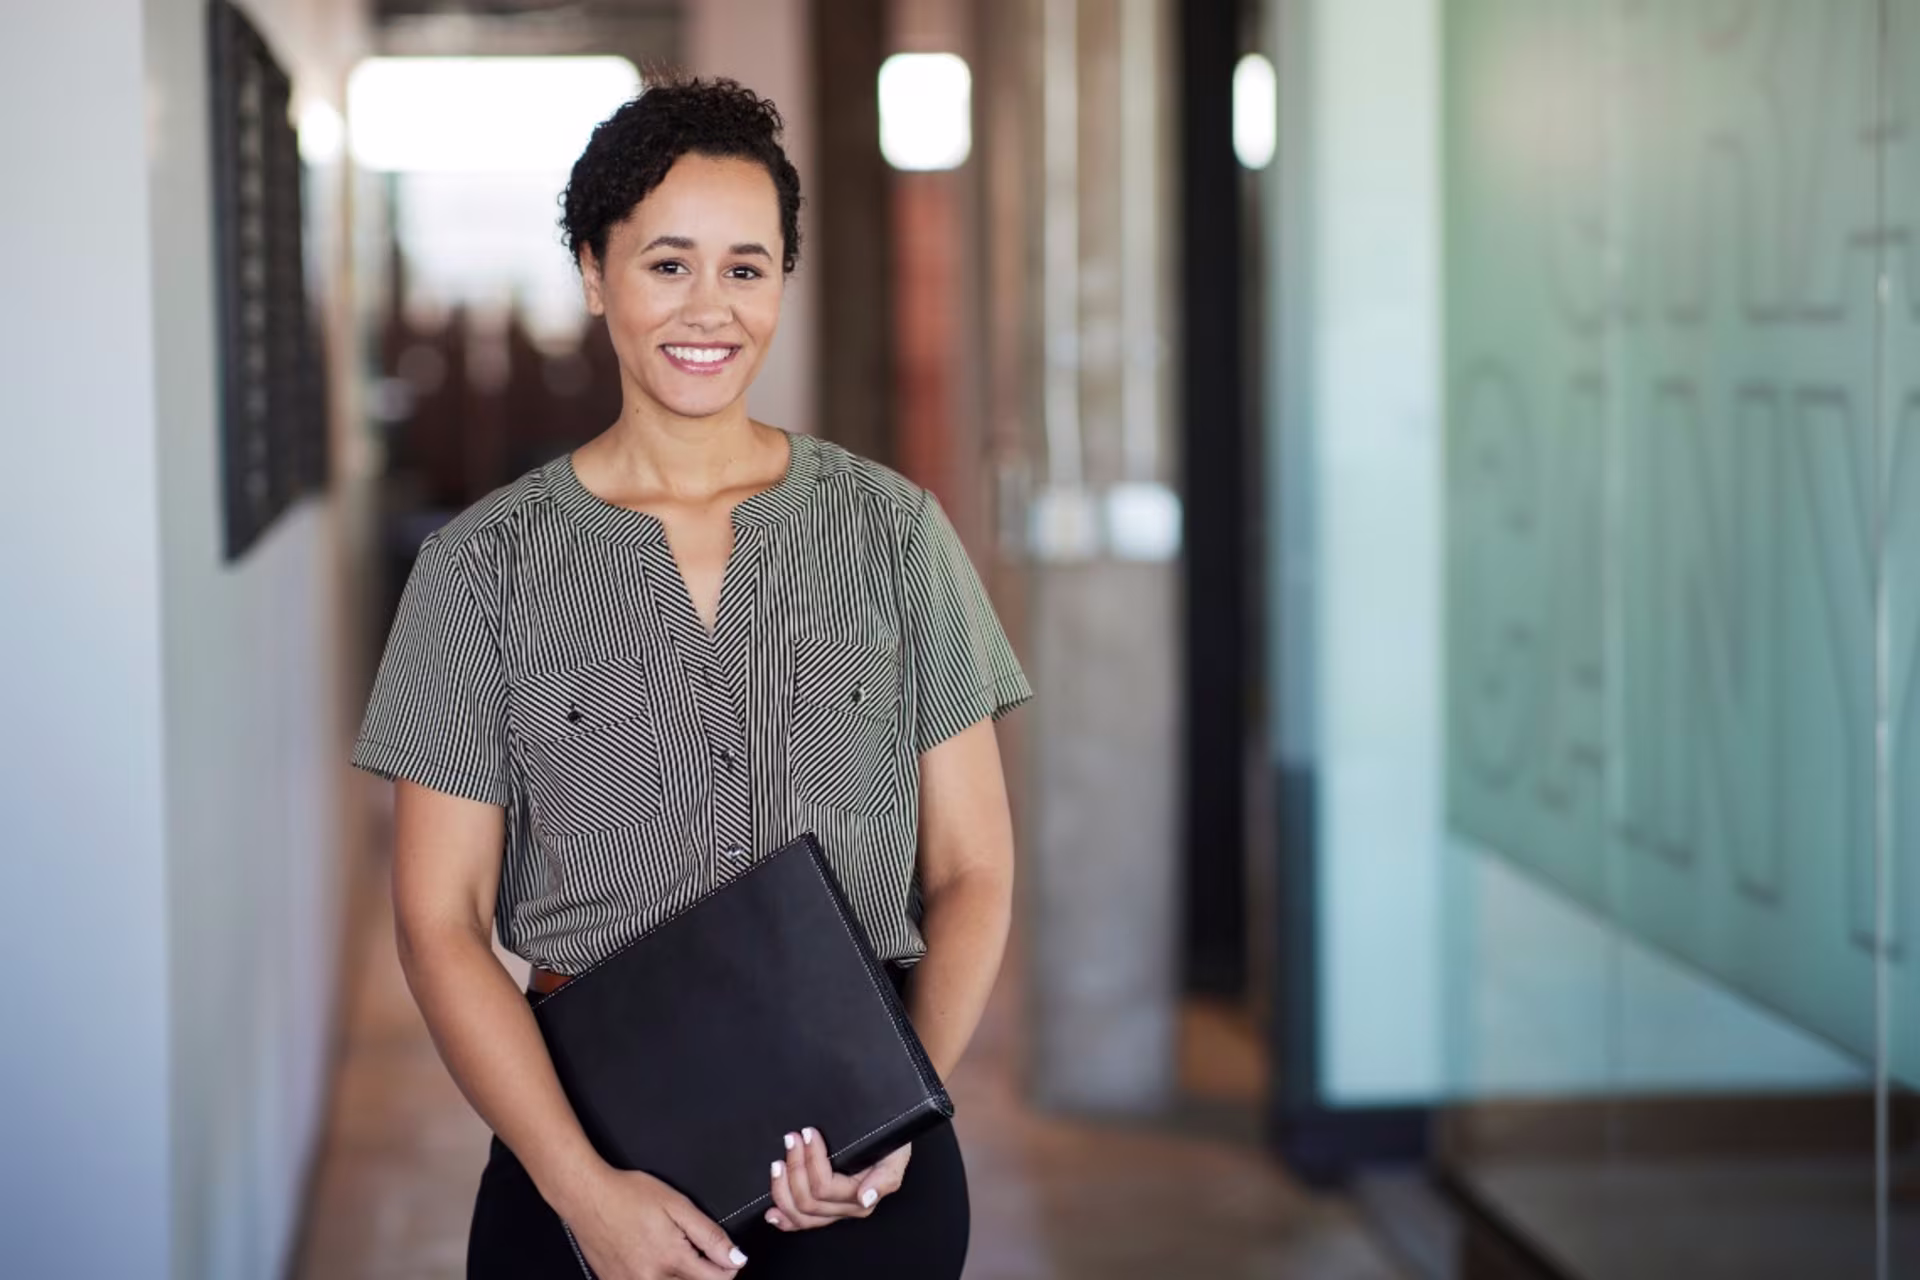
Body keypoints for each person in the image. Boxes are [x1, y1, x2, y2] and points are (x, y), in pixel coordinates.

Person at [350, 76, 1031, 1278]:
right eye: (667, 264)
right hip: (589, 1137)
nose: (708, 308)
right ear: (592, 270)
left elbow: (973, 867)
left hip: (867, 1161)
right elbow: (437, 921)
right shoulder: (478, 570)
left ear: (781, 281)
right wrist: (583, 1193)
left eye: (747, 267)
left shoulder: (893, 533)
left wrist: (900, 1110)